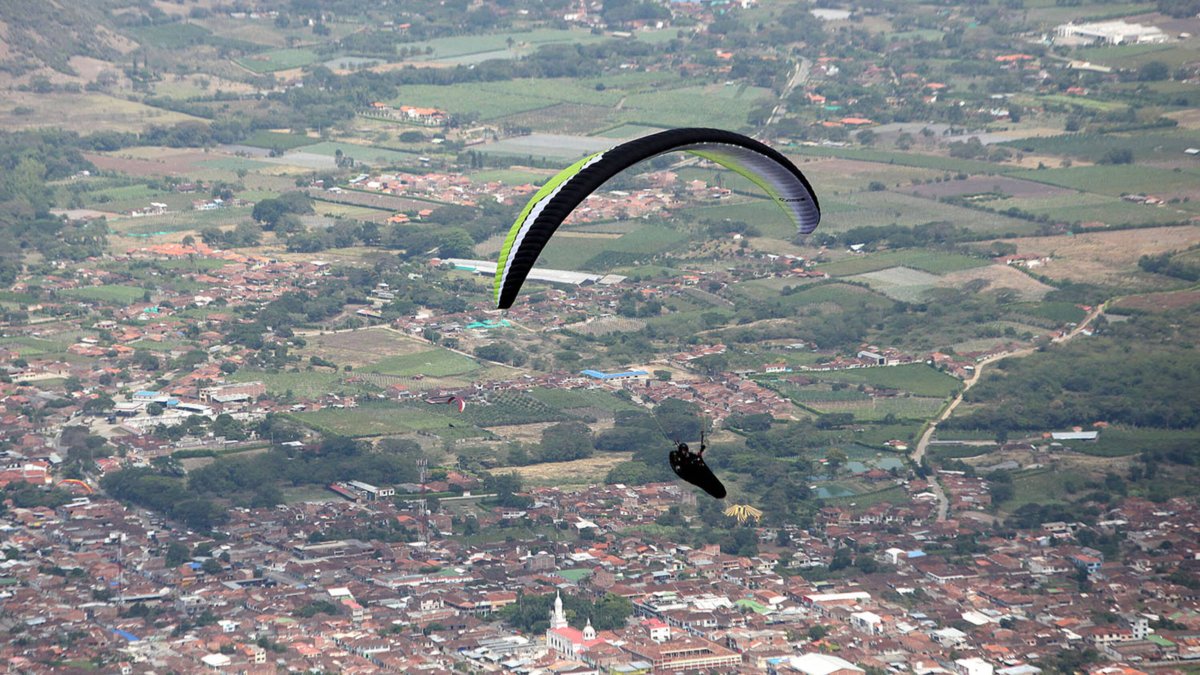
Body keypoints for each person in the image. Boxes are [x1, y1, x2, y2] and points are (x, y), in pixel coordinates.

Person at [668, 428, 726, 499]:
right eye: (683, 450)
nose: (684, 452)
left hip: (695, 470)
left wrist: (700, 452)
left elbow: (696, 458)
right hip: (689, 474)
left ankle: (719, 491)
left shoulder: (689, 455)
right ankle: (717, 492)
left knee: (707, 477)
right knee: (703, 481)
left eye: (685, 450)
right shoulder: (676, 456)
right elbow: (679, 466)